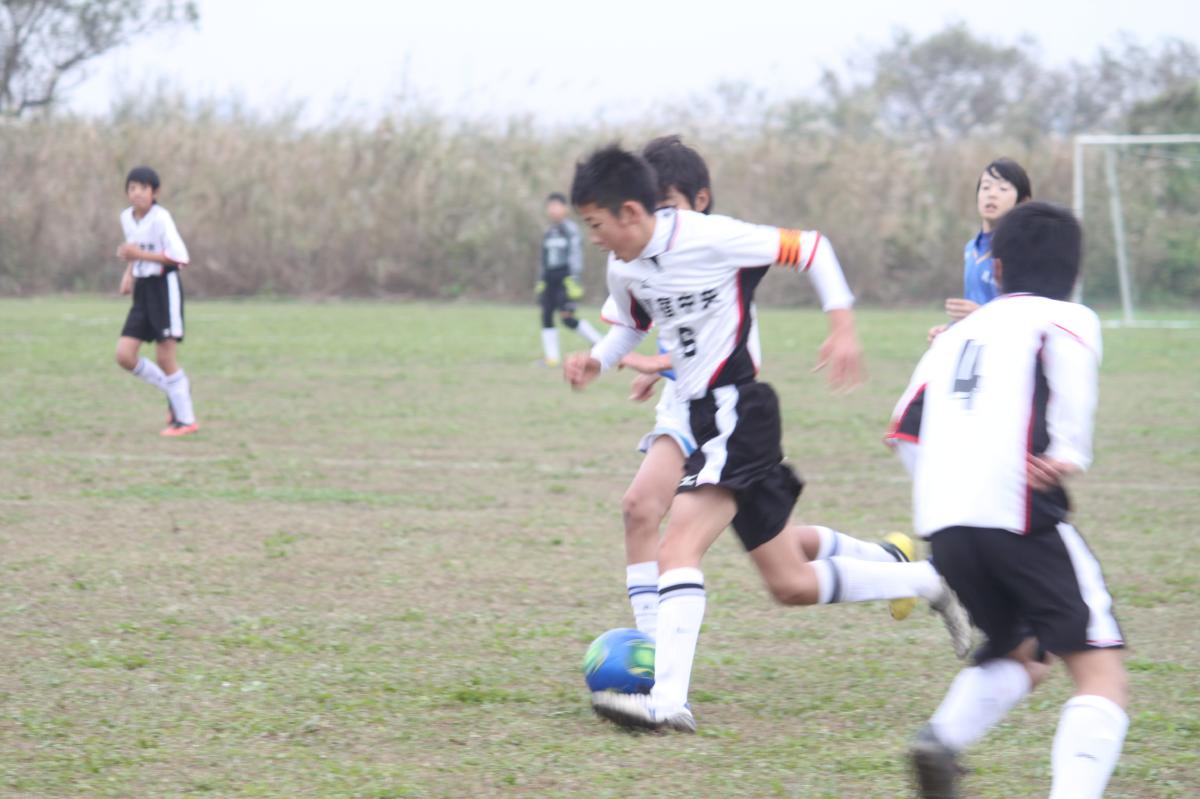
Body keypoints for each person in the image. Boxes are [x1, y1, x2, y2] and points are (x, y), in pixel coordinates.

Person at [565, 145, 971, 732]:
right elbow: (631, 324)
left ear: (629, 211)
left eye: (595, 224)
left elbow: (811, 248)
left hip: (737, 408)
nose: (594, 238)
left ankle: (667, 701)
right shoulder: (624, 267)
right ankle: (927, 582)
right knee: (790, 583)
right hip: (702, 416)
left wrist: (842, 326)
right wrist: (598, 361)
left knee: (678, 547)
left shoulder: (710, 237)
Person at [611, 136, 918, 639]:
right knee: (646, 510)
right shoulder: (645, 257)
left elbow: (726, 346)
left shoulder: (720, 250)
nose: (657, 219)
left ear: (700, 201)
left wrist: (841, 326)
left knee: (765, 562)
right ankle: (888, 559)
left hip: (727, 411)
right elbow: (653, 326)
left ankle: (654, 648)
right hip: (684, 406)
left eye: (667, 205)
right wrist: (653, 365)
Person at [887, 202, 1127, 799]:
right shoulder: (1065, 316)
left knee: (1024, 649)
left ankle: (941, 739)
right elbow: (1073, 369)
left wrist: (945, 489)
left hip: (947, 525)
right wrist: (1068, 450)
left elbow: (902, 427)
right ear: (1075, 273)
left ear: (994, 269)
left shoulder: (952, 336)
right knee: (1101, 675)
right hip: (1017, 514)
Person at [114, 166, 198, 437]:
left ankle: (186, 421)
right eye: (132, 188)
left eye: (143, 188)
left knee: (165, 357)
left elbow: (180, 258)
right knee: (124, 355)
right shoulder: (127, 217)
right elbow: (135, 248)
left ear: (155, 192)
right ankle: (177, 389)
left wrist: (139, 255)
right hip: (142, 291)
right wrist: (129, 273)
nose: (137, 193)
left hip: (164, 288)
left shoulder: (162, 218)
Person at [929, 158, 1032, 342]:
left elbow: (1029, 319)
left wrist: (980, 315)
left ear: (1023, 202)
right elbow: (973, 313)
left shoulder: (1023, 252)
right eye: (985, 187)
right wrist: (949, 329)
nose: (991, 194)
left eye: (1003, 189)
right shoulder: (971, 249)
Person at [538, 192, 601, 366]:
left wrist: (574, 278)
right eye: (550, 206)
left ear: (565, 209)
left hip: (565, 279)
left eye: (556, 206)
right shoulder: (549, 231)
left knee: (567, 317)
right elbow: (543, 258)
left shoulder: (570, 230)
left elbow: (576, 254)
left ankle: (599, 343)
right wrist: (541, 279)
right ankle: (552, 358)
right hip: (549, 279)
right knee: (546, 315)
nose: (553, 210)